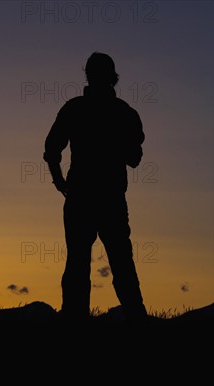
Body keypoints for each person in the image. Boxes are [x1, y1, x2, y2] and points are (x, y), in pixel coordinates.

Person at [43, 52, 148, 323]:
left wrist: (59, 181)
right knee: (120, 263)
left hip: (83, 198)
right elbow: (135, 159)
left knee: (80, 264)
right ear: (113, 77)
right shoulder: (124, 113)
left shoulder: (75, 108)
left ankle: (76, 323)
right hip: (107, 199)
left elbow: (52, 149)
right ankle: (137, 322)